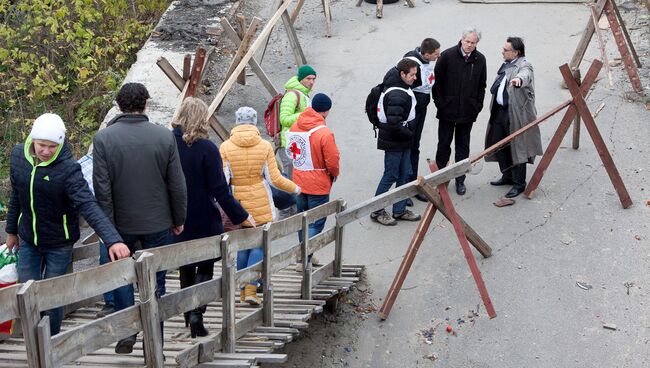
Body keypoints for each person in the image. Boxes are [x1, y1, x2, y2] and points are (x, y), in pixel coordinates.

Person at [4, 113, 130, 335]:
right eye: (42, 145)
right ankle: (35, 342)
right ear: (33, 139)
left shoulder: (68, 169)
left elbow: (88, 205)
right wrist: (11, 230)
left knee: (52, 297)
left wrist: (113, 240)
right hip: (28, 240)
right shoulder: (18, 156)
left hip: (58, 243)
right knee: (26, 293)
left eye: (53, 147)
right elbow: (17, 195)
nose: (46, 151)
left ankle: (50, 342)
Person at [93, 82, 187, 354]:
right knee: (156, 279)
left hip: (119, 226)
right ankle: (154, 334)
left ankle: (126, 330)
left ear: (119, 105)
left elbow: (102, 188)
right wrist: (179, 217)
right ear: (145, 103)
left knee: (121, 276)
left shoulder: (104, 139)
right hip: (158, 222)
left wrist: (108, 230)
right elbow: (176, 184)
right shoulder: (164, 137)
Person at [171, 97, 251, 337]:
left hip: (178, 215)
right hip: (204, 215)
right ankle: (197, 313)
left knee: (185, 265)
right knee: (205, 264)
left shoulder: (167, 145)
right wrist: (241, 216)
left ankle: (188, 312)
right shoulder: (207, 148)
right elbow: (220, 189)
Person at [220, 107, 300, 305]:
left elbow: (223, 180)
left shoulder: (225, 147)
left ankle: (241, 288)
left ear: (237, 122)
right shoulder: (263, 146)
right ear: (254, 122)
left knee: (241, 246)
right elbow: (275, 179)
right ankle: (251, 289)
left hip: (238, 201)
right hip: (261, 200)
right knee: (259, 244)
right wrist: (295, 188)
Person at [485, 37, 543, 198]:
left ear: (516, 52)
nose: (502, 52)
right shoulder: (507, 64)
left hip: (516, 114)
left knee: (518, 147)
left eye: (505, 50)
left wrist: (518, 80)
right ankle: (507, 176)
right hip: (500, 112)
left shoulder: (524, 65)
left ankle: (519, 184)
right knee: (499, 144)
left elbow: (526, 75)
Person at [432, 27, 487, 195]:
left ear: (477, 43)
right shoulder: (447, 56)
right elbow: (437, 83)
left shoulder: (480, 59)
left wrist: (476, 106)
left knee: (463, 148)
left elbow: (481, 86)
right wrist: (441, 104)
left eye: (473, 42)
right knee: (443, 145)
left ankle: (460, 180)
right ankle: (440, 180)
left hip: (467, 113)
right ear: (461, 40)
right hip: (447, 111)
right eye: (467, 41)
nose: (469, 45)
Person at [287, 93, 340, 266]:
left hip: (298, 181)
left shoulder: (295, 126)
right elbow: (332, 160)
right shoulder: (324, 133)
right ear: (326, 111)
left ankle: (304, 255)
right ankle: (305, 258)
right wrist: (334, 174)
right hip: (318, 184)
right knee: (316, 223)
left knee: (303, 220)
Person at [370, 58, 422, 226]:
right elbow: (394, 124)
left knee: (405, 173)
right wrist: (409, 134)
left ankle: (399, 210)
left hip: (402, 139)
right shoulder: (397, 95)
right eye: (412, 75)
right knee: (391, 174)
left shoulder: (402, 86)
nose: (415, 78)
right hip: (395, 141)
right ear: (402, 74)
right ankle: (377, 210)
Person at [403, 38, 441, 203]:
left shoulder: (427, 61)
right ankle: (405, 187)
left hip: (421, 108)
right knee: (407, 146)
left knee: (414, 146)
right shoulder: (412, 63)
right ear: (426, 54)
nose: (438, 57)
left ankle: (413, 184)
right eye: (436, 54)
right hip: (411, 111)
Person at [278, 65, 317, 179]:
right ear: (300, 79)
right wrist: (305, 114)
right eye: (308, 79)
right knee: (291, 182)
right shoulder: (292, 95)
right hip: (288, 144)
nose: (311, 82)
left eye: (313, 79)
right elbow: (284, 119)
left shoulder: (303, 94)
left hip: (297, 142)